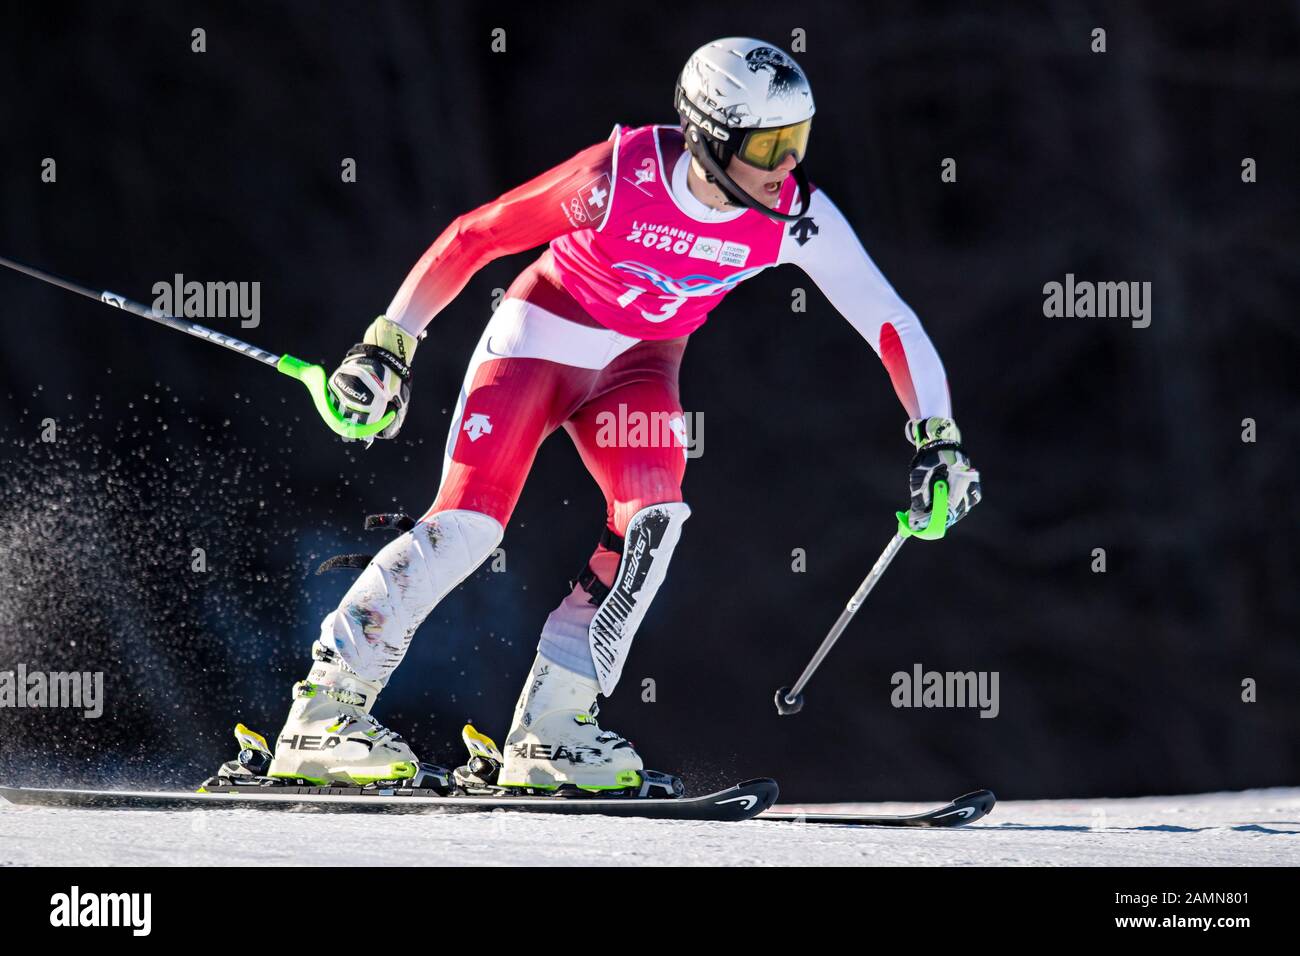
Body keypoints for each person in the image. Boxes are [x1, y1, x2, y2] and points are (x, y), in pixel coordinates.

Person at [267, 37, 982, 792]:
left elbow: (889, 321)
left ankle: (553, 730)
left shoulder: (796, 218)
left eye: (797, 142)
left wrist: (940, 440)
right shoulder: (618, 175)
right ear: (709, 136)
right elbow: (477, 235)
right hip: (538, 345)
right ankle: (323, 716)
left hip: (637, 369)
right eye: (768, 146)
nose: (786, 169)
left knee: (652, 522)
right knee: (469, 526)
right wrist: (389, 345)